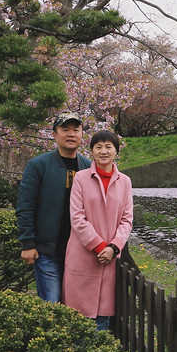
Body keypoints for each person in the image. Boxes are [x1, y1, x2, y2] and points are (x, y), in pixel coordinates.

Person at [16, 110, 91, 303]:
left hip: (81, 251)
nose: (71, 134)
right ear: (54, 134)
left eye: (76, 129)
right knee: (52, 302)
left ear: (82, 134)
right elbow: (25, 205)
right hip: (49, 250)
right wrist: (28, 243)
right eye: (65, 129)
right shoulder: (38, 165)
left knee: (78, 305)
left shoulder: (89, 167)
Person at [63, 129, 133, 331]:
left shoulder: (125, 182)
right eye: (98, 146)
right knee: (78, 319)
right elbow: (77, 217)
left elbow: (127, 219)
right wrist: (99, 245)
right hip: (82, 254)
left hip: (110, 257)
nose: (103, 151)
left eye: (108, 146)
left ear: (116, 151)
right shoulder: (81, 178)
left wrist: (113, 247)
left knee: (103, 317)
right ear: (91, 151)